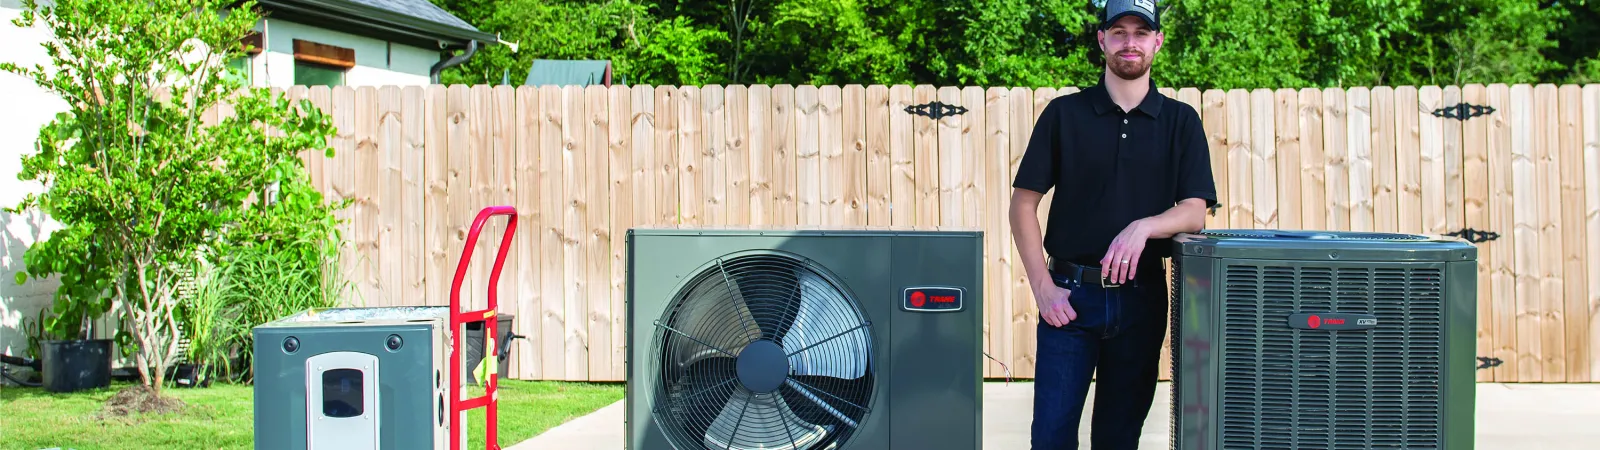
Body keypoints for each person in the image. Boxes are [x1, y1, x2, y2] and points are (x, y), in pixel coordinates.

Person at [1007, 0, 1217, 448]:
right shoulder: (1064, 115)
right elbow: (1022, 205)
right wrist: (1043, 288)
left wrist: (1143, 227)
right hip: (1069, 298)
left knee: (1118, 439)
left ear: (1157, 42)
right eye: (1118, 31)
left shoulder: (1181, 121)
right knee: (1050, 436)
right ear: (1101, 39)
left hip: (1141, 300)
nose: (1129, 42)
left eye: (1140, 33)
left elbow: (1195, 210)